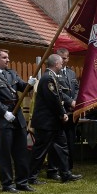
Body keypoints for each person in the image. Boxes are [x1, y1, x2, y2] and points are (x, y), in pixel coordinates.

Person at [0, 49, 37, 193]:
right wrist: (4, 112)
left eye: (8, 57)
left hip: (17, 118)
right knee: (4, 153)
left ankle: (22, 182)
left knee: (21, 152)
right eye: (4, 57)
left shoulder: (12, 73)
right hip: (4, 118)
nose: (8, 60)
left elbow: (22, 87)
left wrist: (30, 84)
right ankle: (6, 184)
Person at [28, 54, 82, 184]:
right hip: (46, 122)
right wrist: (62, 113)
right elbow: (53, 99)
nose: (62, 64)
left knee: (62, 147)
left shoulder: (52, 77)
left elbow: (60, 95)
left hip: (53, 123)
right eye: (60, 63)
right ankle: (31, 177)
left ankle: (65, 174)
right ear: (56, 64)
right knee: (40, 151)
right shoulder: (48, 78)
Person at [46, 48, 80, 180]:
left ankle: (67, 168)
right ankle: (53, 169)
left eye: (67, 58)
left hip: (72, 112)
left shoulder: (71, 73)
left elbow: (76, 88)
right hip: (60, 112)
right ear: (57, 58)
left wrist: (75, 101)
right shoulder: (52, 73)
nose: (65, 60)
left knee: (70, 142)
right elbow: (57, 92)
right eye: (62, 58)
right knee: (57, 143)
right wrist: (70, 102)